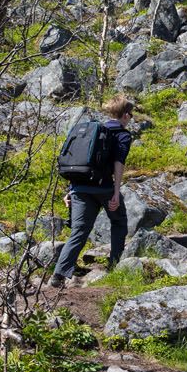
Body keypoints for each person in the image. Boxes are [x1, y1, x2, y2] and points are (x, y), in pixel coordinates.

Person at [49, 96, 135, 287]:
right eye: (131, 114)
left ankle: (58, 275)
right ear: (126, 115)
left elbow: (79, 161)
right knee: (119, 221)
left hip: (79, 187)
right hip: (104, 187)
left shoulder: (91, 130)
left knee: (79, 231)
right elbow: (118, 163)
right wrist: (115, 192)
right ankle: (114, 266)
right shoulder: (122, 135)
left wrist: (70, 190)